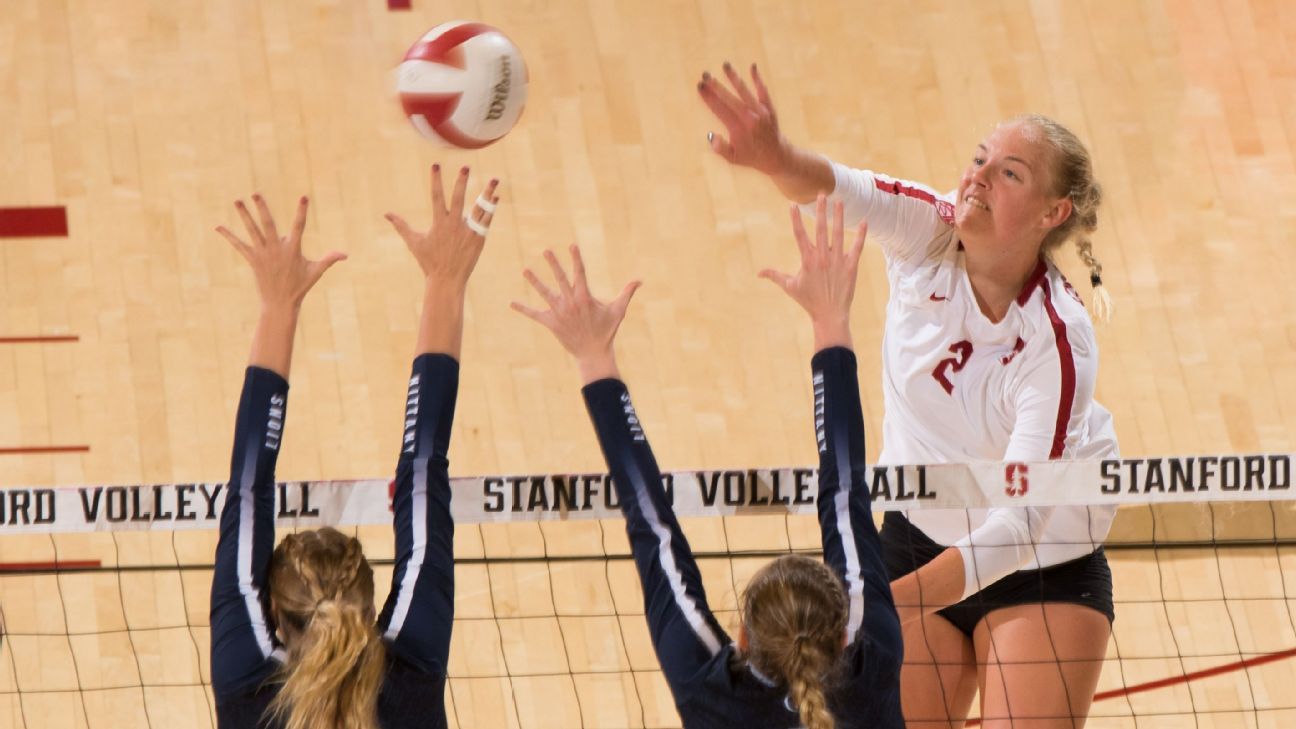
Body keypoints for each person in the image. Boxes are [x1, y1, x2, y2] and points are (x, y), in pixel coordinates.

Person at [698, 63, 1119, 728]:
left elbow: (1015, 528)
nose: (977, 176)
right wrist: (776, 159)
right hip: (919, 535)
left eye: (1009, 172)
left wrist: (879, 604)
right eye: (979, 159)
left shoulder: (1057, 341)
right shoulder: (928, 229)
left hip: (1043, 566)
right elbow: (837, 187)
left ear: (1052, 212)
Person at [511, 197, 904, 728]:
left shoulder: (715, 689)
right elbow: (845, 497)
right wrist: (830, 319)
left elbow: (655, 527)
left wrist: (594, 355)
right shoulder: (869, 661)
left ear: (742, 638)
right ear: (841, 636)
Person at [208, 165, 499, 729]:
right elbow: (421, 474)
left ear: (272, 609)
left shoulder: (248, 682)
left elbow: (249, 492)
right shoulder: (409, 670)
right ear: (366, 613)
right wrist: (445, 283)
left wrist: (277, 307)